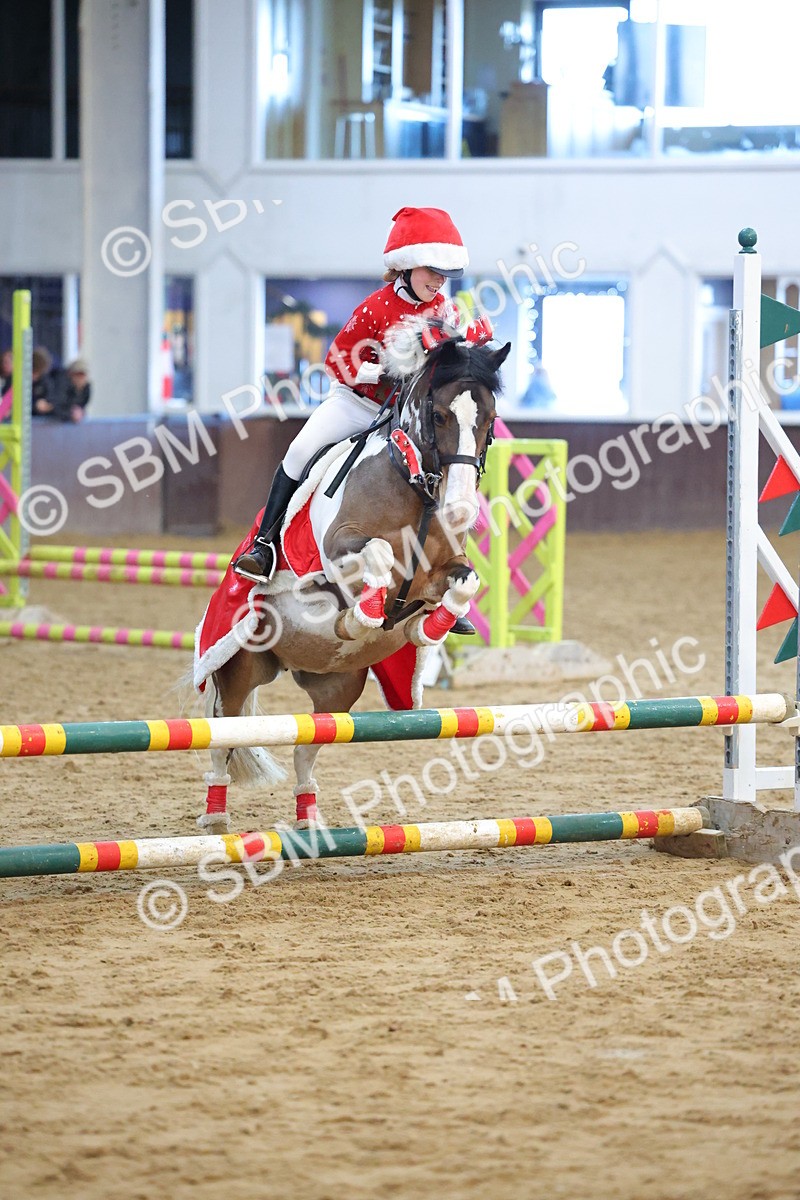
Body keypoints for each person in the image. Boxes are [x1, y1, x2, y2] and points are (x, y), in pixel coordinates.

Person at [234, 207, 471, 589]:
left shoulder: (443, 310)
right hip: (357, 405)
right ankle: (264, 546)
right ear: (407, 267)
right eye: (432, 272)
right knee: (299, 450)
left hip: (404, 416)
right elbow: (337, 360)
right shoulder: (374, 308)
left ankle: (447, 570)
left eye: (445, 275)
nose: (440, 282)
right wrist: (378, 370)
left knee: (448, 465)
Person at [31, 347, 55, 417]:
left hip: (40, 419)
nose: (35, 377)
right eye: (34, 372)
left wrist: (47, 405)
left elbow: (52, 399)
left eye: (38, 373)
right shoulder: (17, 380)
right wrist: (35, 405)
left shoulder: (45, 380)